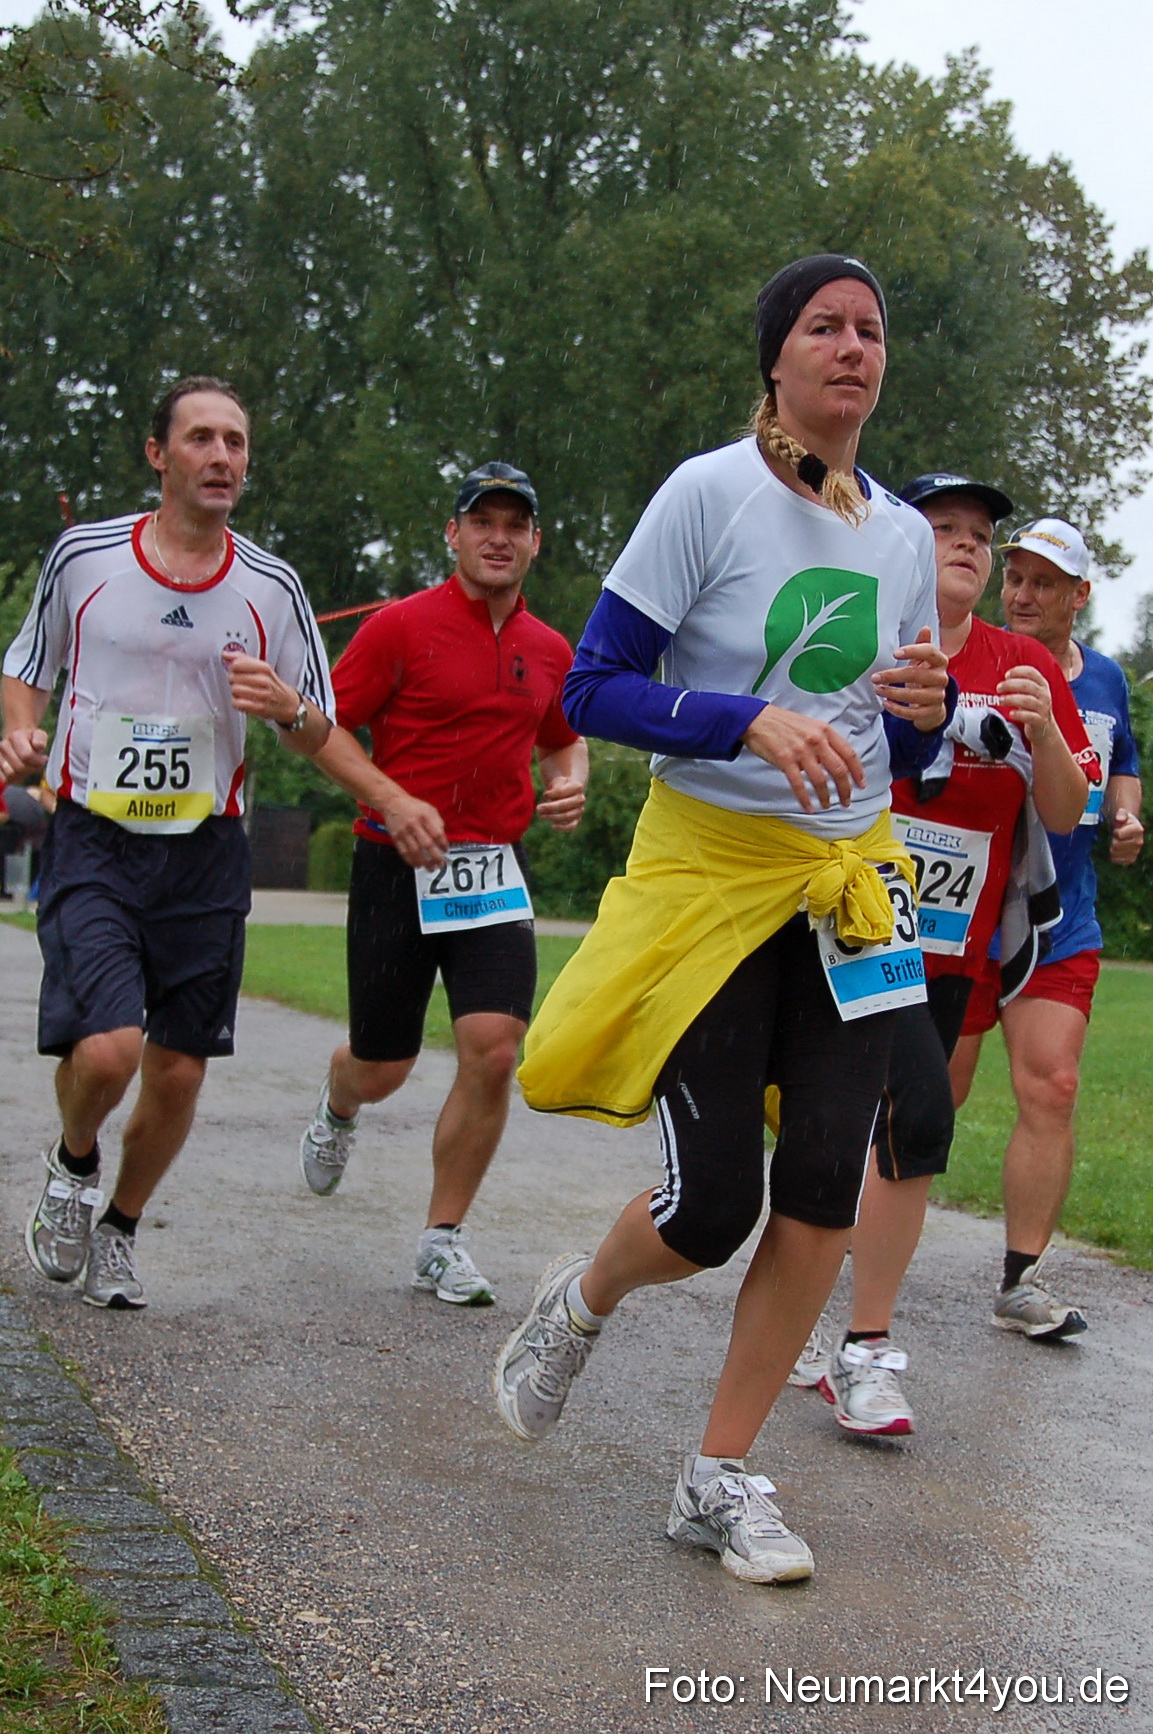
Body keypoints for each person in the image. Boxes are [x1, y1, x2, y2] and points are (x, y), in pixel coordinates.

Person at [493, 254, 951, 1585]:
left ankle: (719, 1472)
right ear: (777, 356)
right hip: (710, 868)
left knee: (821, 1183)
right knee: (712, 1205)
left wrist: (918, 715)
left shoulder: (904, 535)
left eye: (871, 328)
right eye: (824, 326)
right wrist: (742, 713)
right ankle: (575, 1307)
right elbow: (593, 686)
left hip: (853, 881)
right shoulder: (708, 493)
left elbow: (900, 750)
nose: (853, 347)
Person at [0, 375, 336, 1309]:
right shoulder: (84, 557)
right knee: (108, 1052)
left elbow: (318, 725)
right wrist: (22, 730)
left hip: (207, 848)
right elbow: (26, 669)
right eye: (200, 438)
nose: (222, 456)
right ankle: (73, 1168)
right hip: (95, 836)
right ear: (159, 455)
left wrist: (287, 705)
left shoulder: (273, 585)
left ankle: (121, 1228)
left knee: (179, 1070)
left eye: (234, 441)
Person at [790, 477, 1092, 1435]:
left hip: (955, 941)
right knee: (908, 1117)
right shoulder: (865, 634)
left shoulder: (1020, 664)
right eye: (942, 529)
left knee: (892, 1128)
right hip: (858, 909)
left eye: (978, 534)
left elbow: (1060, 810)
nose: (965, 545)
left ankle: (816, 1309)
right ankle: (861, 1348)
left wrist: (1038, 730)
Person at [297, 462, 588, 1308]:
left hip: (492, 868)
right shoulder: (398, 628)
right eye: (482, 522)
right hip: (394, 863)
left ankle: (441, 1239)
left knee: (495, 1050)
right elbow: (322, 730)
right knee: (382, 1065)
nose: (499, 538)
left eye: (515, 525)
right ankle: (339, 1100)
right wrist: (392, 800)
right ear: (452, 535)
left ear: (535, 542)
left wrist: (571, 779)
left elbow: (563, 739)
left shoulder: (548, 649)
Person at [948, 518, 1142, 1338]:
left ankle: (1021, 1280)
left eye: (1043, 584)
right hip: (962, 911)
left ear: (1078, 597)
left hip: (1061, 912)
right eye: (1014, 578)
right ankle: (835, 1244)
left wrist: (1129, 815)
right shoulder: (971, 655)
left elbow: (1121, 763)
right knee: (932, 1093)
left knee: (1052, 1086)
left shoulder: (1104, 681)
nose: (1023, 594)